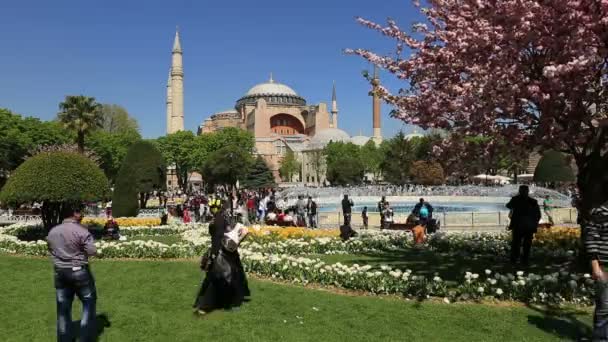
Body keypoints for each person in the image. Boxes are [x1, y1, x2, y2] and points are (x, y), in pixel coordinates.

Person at [47, 206, 98, 342]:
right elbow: (92, 251)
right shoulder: (81, 230)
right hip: (79, 271)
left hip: (60, 272)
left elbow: (50, 248)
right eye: (80, 212)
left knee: (63, 310)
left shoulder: (53, 231)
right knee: (88, 304)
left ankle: (64, 339)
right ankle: (84, 338)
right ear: (74, 213)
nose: (82, 215)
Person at [193, 202, 250, 315]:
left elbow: (219, 236)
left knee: (217, 279)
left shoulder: (217, 219)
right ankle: (226, 302)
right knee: (228, 278)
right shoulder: (222, 218)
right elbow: (230, 234)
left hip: (221, 252)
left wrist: (214, 254)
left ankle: (205, 305)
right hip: (226, 252)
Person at [584, 202, 608, 340]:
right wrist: (595, 265)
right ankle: (600, 339)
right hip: (604, 266)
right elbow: (590, 239)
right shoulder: (600, 212)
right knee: (604, 307)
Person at [506, 185, 541, 266]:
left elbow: (508, 206)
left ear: (519, 191)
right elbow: (538, 215)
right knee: (527, 244)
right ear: (528, 191)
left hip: (518, 226)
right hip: (529, 226)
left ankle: (514, 259)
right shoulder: (533, 201)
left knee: (516, 243)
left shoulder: (515, 199)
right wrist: (534, 223)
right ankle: (525, 259)